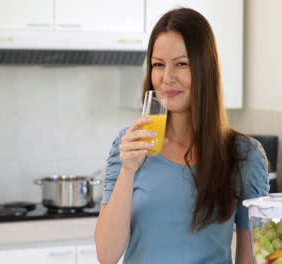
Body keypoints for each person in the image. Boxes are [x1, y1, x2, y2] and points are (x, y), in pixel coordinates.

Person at [94, 7, 269, 264]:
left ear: (205, 68)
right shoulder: (130, 146)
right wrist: (127, 171)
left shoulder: (244, 155)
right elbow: (106, 255)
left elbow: (250, 260)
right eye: (158, 65)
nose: (167, 78)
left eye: (181, 64)